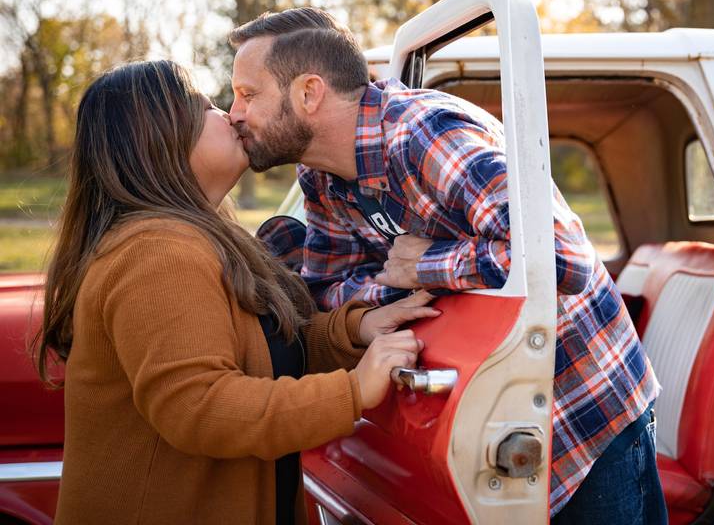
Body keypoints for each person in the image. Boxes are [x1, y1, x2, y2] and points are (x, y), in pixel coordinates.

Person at [228, 8, 667, 523]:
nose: (234, 112)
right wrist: (384, 296)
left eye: (247, 94)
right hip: (489, 410)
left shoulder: (425, 135)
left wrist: (425, 268)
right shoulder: (320, 177)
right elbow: (326, 290)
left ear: (308, 93)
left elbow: (561, 258)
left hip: (581, 398)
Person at [35, 60, 437, 525]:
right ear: (162, 138)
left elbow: (260, 354)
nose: (230, 114)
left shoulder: (198, 239)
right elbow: (201, 407)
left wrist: (356, 330)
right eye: (205, 106)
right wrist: (353, 391)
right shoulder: (156, 253)